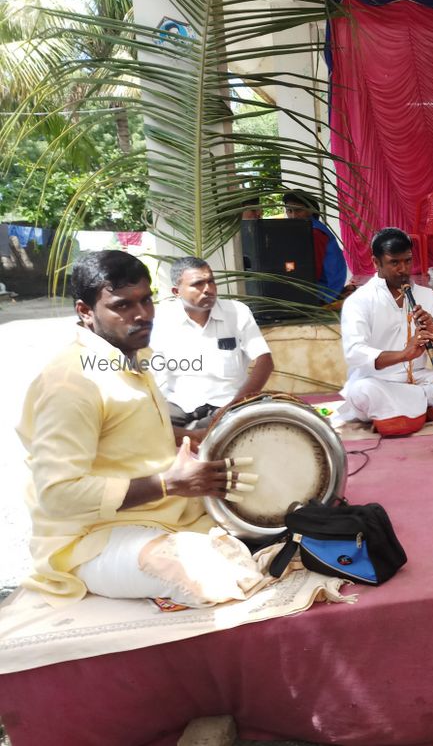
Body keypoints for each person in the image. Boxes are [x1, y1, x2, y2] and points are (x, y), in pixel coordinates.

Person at [17, 250, 264, 606]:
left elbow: (126, 432)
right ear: (85, 312)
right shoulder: (71, 384)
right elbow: (58, 495)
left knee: (269, 530)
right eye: (122, 306)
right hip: (92, 538)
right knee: (211, 583)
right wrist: (169, 483)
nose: (141, 315)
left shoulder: (130, 355)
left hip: (163, 513)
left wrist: (191, 439)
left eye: (146, 301)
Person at [339, 228, 433, 436]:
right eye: (395, 262)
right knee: (361, 392)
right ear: (376, 263)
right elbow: (354, 353)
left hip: (421, 380)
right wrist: (404, 354)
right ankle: (425, 410)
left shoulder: (425, 295)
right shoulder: (359, 301)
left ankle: (406, 414)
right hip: (380, 381)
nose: (403, 269)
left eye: (408, 261)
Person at [150, 257, 274, 429]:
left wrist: (236, 404)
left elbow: (264, 362)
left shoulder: (237, 312)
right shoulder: (161, 319)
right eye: (198, 284)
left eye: (211, 281)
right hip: (178, 403)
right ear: (176, 291)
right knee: (148, 427)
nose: (208, 289)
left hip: (229, 402)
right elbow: (152, 371)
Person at [283, 189, 349, 303]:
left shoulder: (315, 232)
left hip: (325, 292)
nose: (293, 216)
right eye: (289, 211)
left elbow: (314, 269)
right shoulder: (306, 228)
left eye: (298, 210)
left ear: (310, 210)